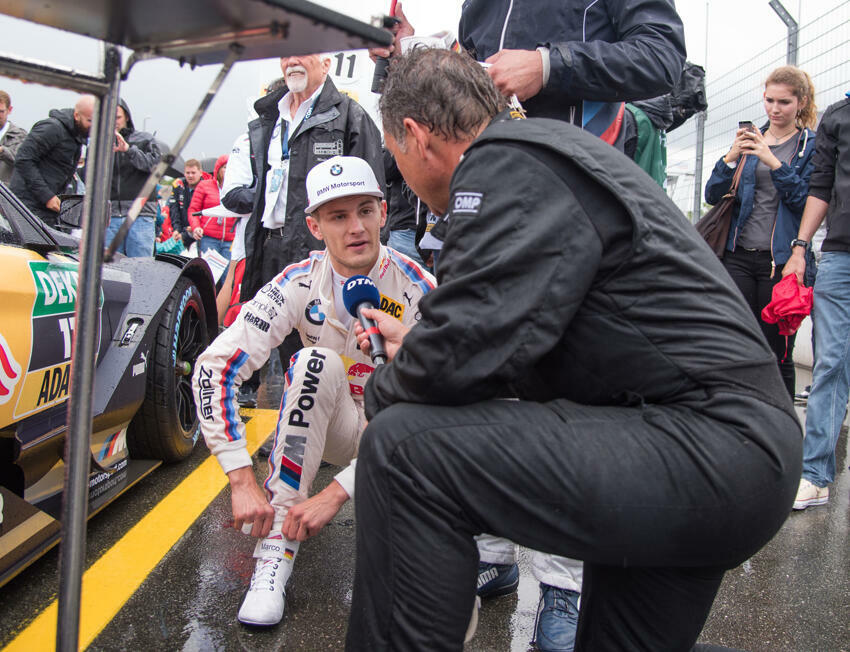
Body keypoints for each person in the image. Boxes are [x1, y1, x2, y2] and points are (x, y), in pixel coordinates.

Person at [346, 48, 801, 651]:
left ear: (414, 135)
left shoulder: (505, 161)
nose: (398, 173)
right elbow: (508, 335)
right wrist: (427, 344)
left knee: (401, 450)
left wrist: (383, 388)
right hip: (724, 453)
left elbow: (462, 352)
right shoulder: (548, 157)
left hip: (705, 446)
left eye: (393, 157)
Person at [193, 156, 434, 626]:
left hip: (404, 440)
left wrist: (338, 493)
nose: (356, 228)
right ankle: (275, 551)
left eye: (365, 210)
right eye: (338, 217)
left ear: (384, 213)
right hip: (337, 425)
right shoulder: (297, 282)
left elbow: (449, 407)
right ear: (314, 226)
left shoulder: (419, 289)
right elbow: (213, 368)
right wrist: (240, 478)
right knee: (311, 362)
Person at [220, 53, 384, 374]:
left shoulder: (351, 116)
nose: (293, 60)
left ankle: (334, 419)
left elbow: (373, 199)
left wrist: (362, 267)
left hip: (320, 253)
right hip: (269, 249)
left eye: (305, 53)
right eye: (287, 54)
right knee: (281, 350)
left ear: (326, 63)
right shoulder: (269, 117)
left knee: (327, 351)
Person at [371, 0, 686, 144]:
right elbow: (476, 77)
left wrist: (546, 65)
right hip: (487, 189)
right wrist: (414, 50)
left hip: (577, 189)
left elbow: (661, 55)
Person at [705, 66, 818, 400]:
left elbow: (805, 201)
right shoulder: (750, 141)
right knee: (737, 344)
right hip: (738, 257)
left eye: (784, 101)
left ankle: (781, 428)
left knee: (778, 352)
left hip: (781, 263)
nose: (774, 108)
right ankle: (739, 419)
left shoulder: (810, 146)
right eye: (769, 100)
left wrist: (774, 162)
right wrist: (730, 157)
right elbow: (713, 195)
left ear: (801, 102)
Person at [780, 92, 850, 510]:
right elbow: (821, 186)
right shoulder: (838, 117)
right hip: (841, 254)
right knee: (830, 363)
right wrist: (800, 247)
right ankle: (815, 476)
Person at [9, 96, 95, 227]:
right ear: (77, 115)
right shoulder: (52, 128)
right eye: (90, 120)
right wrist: (47, 196)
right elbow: (23, 159)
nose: (94, 126)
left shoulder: (77, 135)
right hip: (27, 205)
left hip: (47, 208)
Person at [103, 100, 167, 258]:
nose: (114, 122)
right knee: (109, 273)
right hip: (109, 217)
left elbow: (156, 167)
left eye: (117, 117)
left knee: (141, 268)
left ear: (126, 117)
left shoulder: (145, 139)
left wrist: (128, 150)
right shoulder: (99, 143)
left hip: (140, 215)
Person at [188, 154, 236, 260]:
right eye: (225, 167)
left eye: (230, 167)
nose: (228, 170)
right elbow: (193, 210)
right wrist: (196, 227)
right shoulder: (204, 186)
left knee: (227, 275)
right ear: (218, 169)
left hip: (230, 240)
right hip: (209, 239)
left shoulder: (237, 189)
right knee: (210, 273)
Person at [167, 159, 207, 249]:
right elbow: (174, 210)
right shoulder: (178, 185)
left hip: (200, 233)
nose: (190, 176)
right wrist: (176, 229)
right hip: (182, 232)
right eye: (187, 173)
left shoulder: (206, 187)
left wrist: (194, 227)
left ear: (200, 173)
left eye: (193, 173)